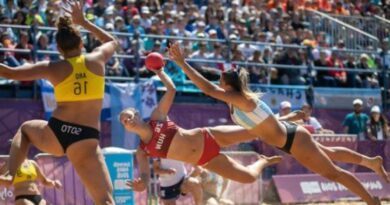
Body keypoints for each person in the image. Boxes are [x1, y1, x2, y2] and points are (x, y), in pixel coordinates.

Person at [168, 42, 388, 205]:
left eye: (222, 78)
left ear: (227, 84)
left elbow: (207, 88)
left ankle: (370, 201)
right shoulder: (238, 99)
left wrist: (182, 64)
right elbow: (265, 122)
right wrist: (288, 118)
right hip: (290, 135)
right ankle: (371, 162)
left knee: (333, 174)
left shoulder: (241, 99)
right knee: (329, 153)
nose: (219, 79)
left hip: (292, 141)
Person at [0, 2, 118, 204]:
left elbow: (9, 72)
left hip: (57, 133)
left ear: (59, 49)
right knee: (105, 201)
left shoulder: (53, 67)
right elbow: (112, 41)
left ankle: (11, 174)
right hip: (85, 139)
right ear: (81, 43)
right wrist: (84, 22)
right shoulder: (97, 59)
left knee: (27, 129)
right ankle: (11, 174)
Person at [121, 67, 282, 193]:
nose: (127, 121)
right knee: (248, 178)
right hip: (206, 159)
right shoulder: (142, 151)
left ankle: (282, 120)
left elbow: (171, 89)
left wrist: (160, 72)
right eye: (124, 122)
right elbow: (144, 177)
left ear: (137, 114)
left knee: (255, 132)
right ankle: (263, 161)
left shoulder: (157, 118)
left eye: (129, 116)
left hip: (209, 136)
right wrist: (142, 184)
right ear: (126, 128)